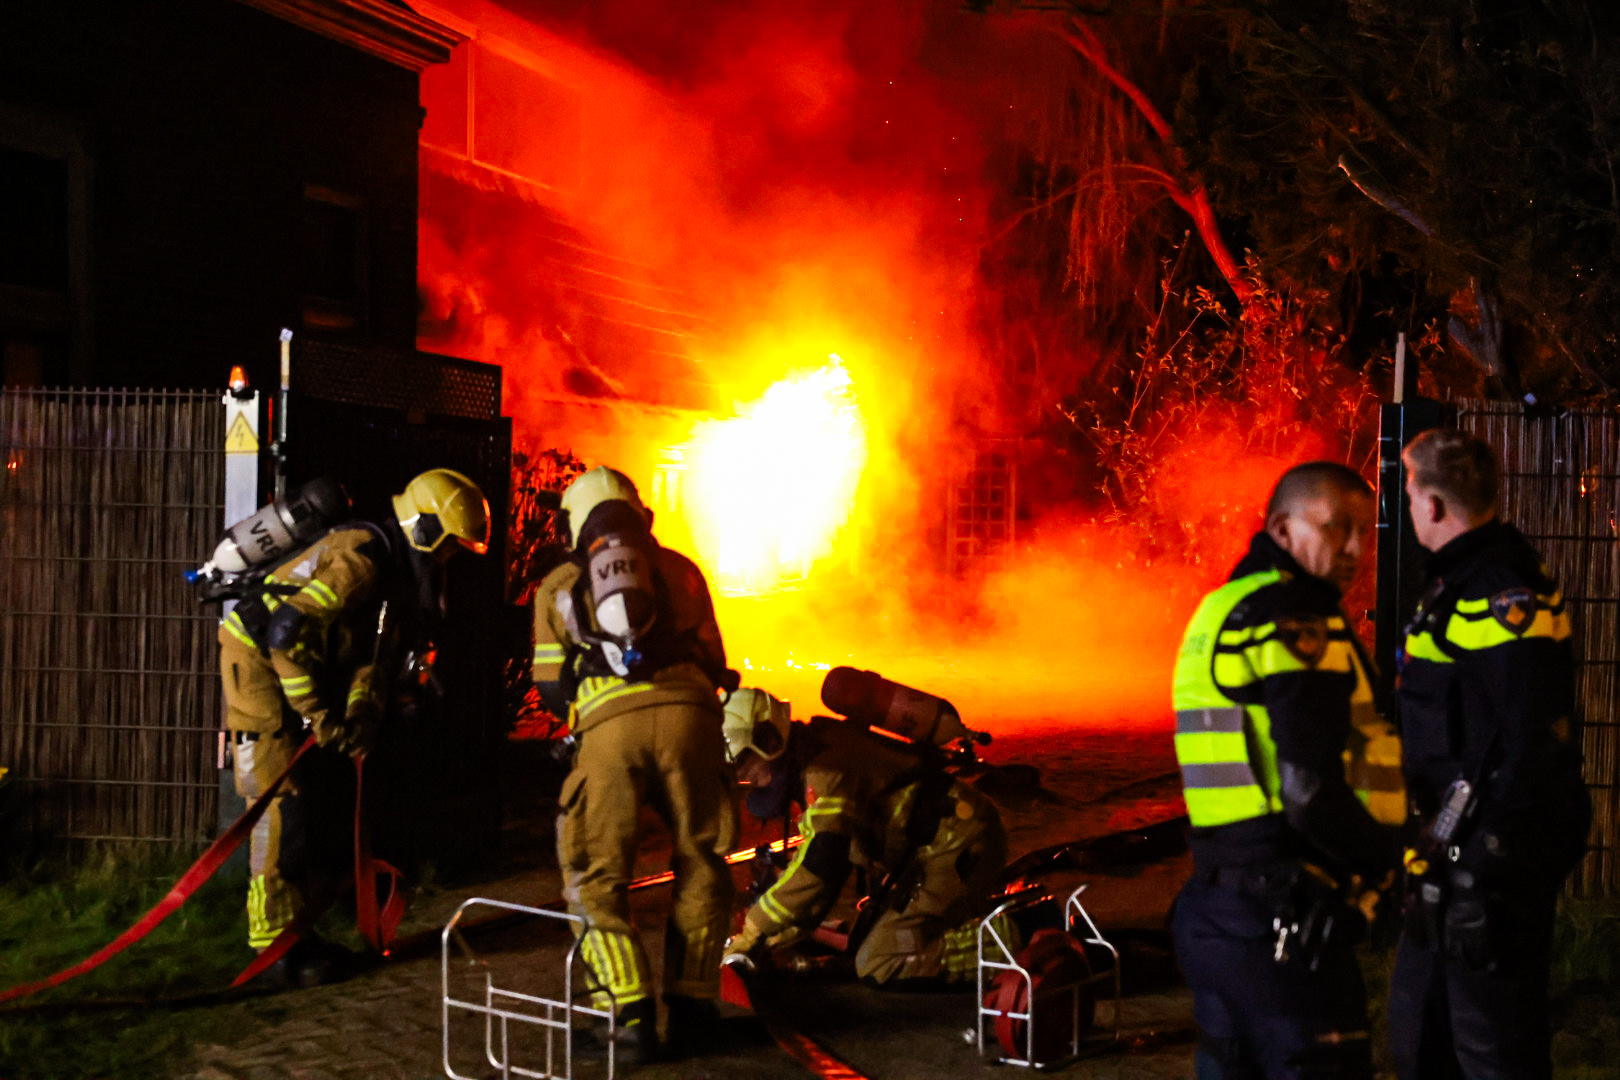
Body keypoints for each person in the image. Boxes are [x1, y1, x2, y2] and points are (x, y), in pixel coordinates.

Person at [1171, 461, 1405, 1078]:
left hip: (1218, 909)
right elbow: (1307, 786)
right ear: (1281, 527)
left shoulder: (1220, 608)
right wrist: (1390, 863)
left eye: (1364, 533)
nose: (1355, 549)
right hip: (1287, 914)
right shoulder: (1297, 617)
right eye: (1335, 528)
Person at [218, 468, 490, 985]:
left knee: (305, 806)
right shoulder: (363, 562)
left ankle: (294, 933)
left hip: (290, 662)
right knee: (281, 803)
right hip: (257, 660)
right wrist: (321, 718)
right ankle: (272, 950)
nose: (449, 561)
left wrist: (362, 718)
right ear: (426, 529)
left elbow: (371, 656)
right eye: (450, 548)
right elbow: (282, 634)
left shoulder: (389, 572)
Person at [1388, 428, 1589, 1080]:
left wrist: (1487, 861)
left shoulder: (1502, 594)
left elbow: (1536, 740)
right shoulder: (1463, 579)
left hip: (1488, 862)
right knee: (1424, 1036)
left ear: (1435, 506)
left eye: (1411, 492)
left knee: (1494, 1049)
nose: (1410, 506)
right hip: (1453, 849)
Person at [531, 466, 736, 1064]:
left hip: (609, 734)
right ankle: (695, 1006)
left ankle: (629, 1015)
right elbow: (717, 661)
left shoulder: (560, 585)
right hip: (690, 723)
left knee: (596, 874)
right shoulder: (682, 571)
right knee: (700, 858)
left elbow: (547, 687)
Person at [720, 687, 1008, 987]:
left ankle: (1017, 934)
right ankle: (973, 920)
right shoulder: (814, 752)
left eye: (742, 761)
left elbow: (821, 863)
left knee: (879, 960)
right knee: (865, 943)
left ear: (767, 743)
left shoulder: (825, 770)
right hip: (934, 846)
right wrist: (775, 936)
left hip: (960, 844)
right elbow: (828, 872)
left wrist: (756, 926)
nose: (743, 773)